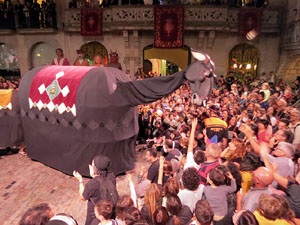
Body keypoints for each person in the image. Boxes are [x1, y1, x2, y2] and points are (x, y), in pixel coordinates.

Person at [73, 155, 118, 225]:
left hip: (95, 214)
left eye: (92, 164)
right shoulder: (111, 176)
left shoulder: (92, 184)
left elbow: (83, 197)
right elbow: (101, 180)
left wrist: (80, 180)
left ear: (95, 169)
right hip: (109, 210)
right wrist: (94, 175)